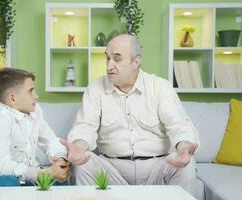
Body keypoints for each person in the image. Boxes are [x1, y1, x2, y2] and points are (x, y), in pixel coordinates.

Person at [61, 34, 200, 196]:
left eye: (117, 59)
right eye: (107, 58)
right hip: (111, 170)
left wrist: (183, 148)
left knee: (186, 166)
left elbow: (178, 125)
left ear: (136, 62)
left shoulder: (160, 87)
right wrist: (77, 149)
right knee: (82, 163)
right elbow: (85, 127)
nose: (109, 66)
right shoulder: (95, 88)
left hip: (156, 168)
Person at [0, 68, 70, 187]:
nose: (36, 96)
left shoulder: (35, 111)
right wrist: (43, 172)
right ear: (13, 99)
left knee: (60, 181)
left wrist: (60, 159)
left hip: (31, 175)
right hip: (2, 176)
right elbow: (2, 165)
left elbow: (50, 140)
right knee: (8, 182)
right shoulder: (1, 119)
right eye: (30, 91)